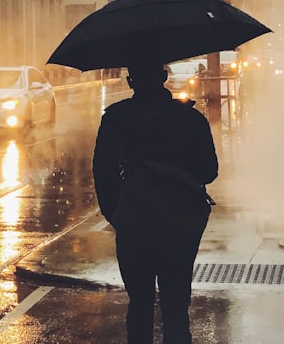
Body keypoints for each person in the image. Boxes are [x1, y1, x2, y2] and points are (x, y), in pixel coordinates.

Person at [93, 59, 218, 344]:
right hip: (180, 224)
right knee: (175, 305)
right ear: (164, 77)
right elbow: (209, 171)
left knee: (139, 304)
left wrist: (117, 214)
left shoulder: (116, 118)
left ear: (130, 82)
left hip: (134, 222)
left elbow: (103, 172)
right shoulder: (190, 118)